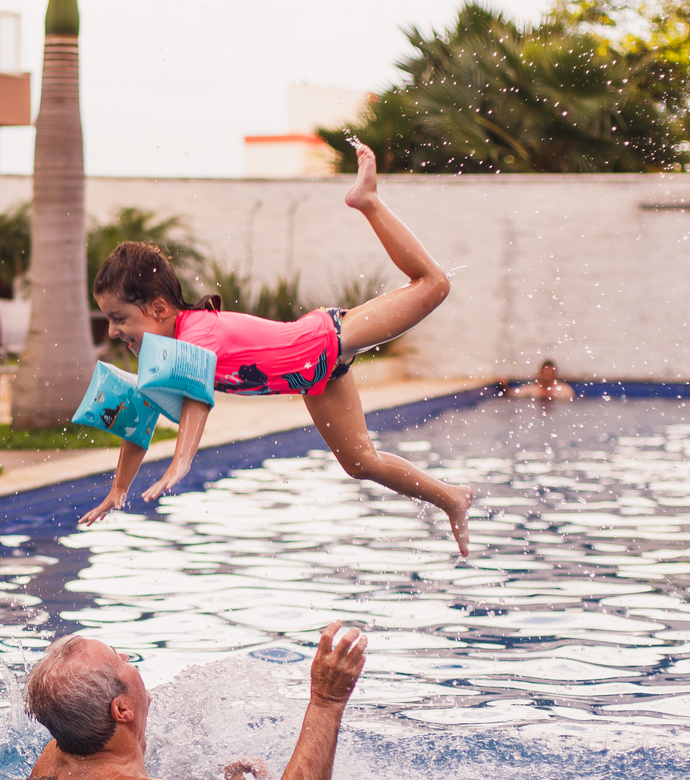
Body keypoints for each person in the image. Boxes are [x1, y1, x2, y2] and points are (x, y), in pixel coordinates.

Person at [83, 139, 474, 554]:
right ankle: (452, 498)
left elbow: (197, 399)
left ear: (159, 308)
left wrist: (183, 459)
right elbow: (134, 419)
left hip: (331, 337)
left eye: (120, 318)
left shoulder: (196, 331)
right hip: (316, 377)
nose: (112, 332)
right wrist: (119, 489)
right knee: (362, 464)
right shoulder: (161, 357)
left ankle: (368, 200)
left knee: (435, 286)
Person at [23, 622, 367, 780]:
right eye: (120, 659)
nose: (129, 656)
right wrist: (327, 701)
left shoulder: (55, 754)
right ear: (122, 710)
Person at [509, 359, 575, 402]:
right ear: (540, 374)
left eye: (549, 374)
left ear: (554, 375)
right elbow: (511, 394)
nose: (547, 377)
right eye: (545, 374)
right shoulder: (531, 390)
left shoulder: (564, 391)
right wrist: (504, 386)